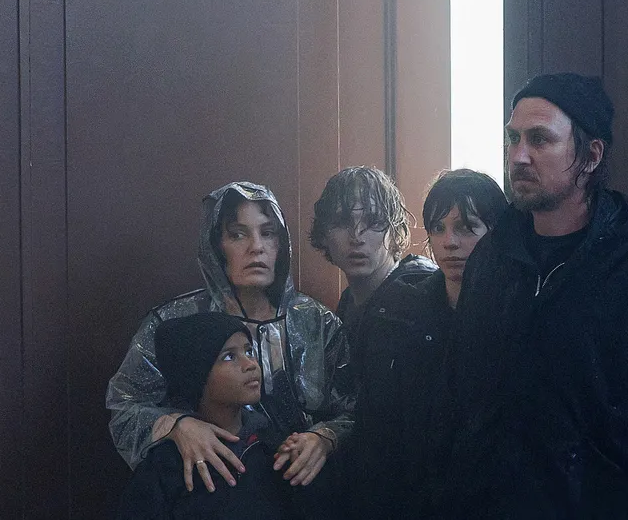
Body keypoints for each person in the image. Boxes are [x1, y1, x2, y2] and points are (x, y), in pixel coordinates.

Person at [443, 73, 628, 518]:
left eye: (540, 140)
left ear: (591, 156)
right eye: (513, 138)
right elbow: (465, 401)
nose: (518, 156)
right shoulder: (492, 260)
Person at [107, 182, 353, 501]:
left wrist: (325, 438)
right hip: (208, 494)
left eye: (268, 233)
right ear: (215, 246)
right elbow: (124, 405)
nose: (256, 247)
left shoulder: (317, 323)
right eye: (238, 235)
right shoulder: (174, 323)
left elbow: (357, 408)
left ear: (282, 245)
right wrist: (176, 425)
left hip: (305, 497)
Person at [348, 169, 508, 519]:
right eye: (438, 228)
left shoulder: (517, 317)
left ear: (497, 232)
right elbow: (380, 430)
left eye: (466, 227)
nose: (449, 242)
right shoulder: (400, 315)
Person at [117, 312, 295, 520]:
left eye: (249, 351)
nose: (251, 364)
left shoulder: (272, 447)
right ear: (196, 374)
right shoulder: (166, 463)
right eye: (229, 356)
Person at [308, 166, 436, 340]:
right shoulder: (349, 301)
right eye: (343, 222)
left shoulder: (421, 299)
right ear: (324, 235)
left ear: (394, 232)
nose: (357, 237)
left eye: (374, 222)